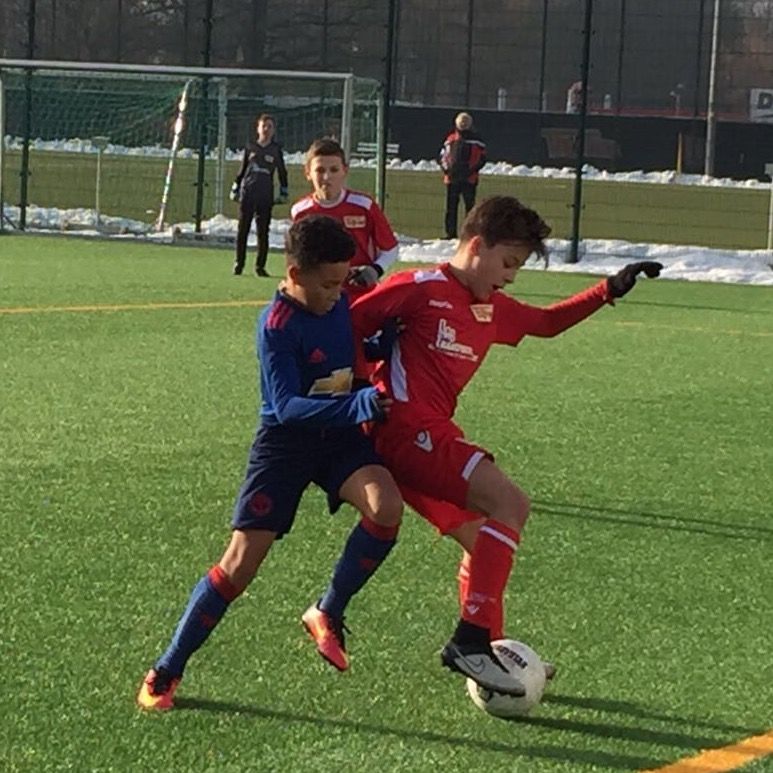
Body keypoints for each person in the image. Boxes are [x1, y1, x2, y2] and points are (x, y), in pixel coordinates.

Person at [308, 196, 663, 696]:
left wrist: (607, 290)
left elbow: (544, 324)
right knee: (511, 504)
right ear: (477, 246)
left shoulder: (490, 308)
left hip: (422, 440)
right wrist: (362, 388)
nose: (511, 276)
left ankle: (489, 646)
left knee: (484, 542)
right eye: (509, 262)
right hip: (406, 431)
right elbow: (345, 324)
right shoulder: (419, 288)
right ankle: (469, 641)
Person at [137, 215, 404, 711]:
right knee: (238, 566)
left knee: (386, 506)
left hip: (339, 439)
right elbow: (287, 406)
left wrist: (383, 344)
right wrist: (360, 405)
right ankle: (167, 669)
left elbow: (355, 348)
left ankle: (328, 611)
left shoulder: (341, 300)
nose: (337, 292)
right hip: (285, 445)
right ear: (295, 274)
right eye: (327, 284)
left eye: (343, 281)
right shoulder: (277, 325)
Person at [291, 138, 399, 298]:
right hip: (319, 298)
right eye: (320, 170)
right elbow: (298, 258)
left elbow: (391, 249)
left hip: (360, 295)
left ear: (345, 171)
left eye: (334, 170)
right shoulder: (301, 211)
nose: (327, 177)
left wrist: (375, 270)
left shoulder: (364, 205)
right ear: (307, 173)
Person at [232, 113, 289, 277]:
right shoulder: (250, 146)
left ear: (274, 130)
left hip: (265, 196)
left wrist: (284, 190)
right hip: (248, 193)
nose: (266, 129)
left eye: (270, 126)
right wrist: (236, 186)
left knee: (263, 231)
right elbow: (242, 169)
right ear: (258, 128)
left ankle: (260, 266)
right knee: (243, 230)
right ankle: (239, 263)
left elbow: (282, 172)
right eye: (263, 126)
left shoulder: (276, 149)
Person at [439, 112, 487, 240]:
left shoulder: (477, 141)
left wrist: (471, 171)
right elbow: (443, 157)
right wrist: (447, 170)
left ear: (470, 124)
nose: (463, 124)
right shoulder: (450, 139)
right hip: (452, 178)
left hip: (469, 179)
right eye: (461, 121)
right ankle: (450, 234)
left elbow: (482, 159)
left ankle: (469, 234)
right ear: (457, 123)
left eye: (466, 122)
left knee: (470, 208)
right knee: (451, 207)